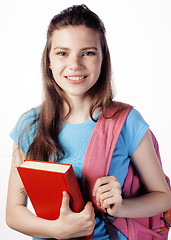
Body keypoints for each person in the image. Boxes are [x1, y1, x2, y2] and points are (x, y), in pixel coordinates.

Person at [6, 4, 171, 240]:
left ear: (103, 58)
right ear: (49, 61)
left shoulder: (127, 122)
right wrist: (57, 230)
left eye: (88, 52)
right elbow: (13, 212)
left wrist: (121, 207)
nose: (75, 64)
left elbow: (163, 197)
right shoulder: (30, 125)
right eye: (62, 53)